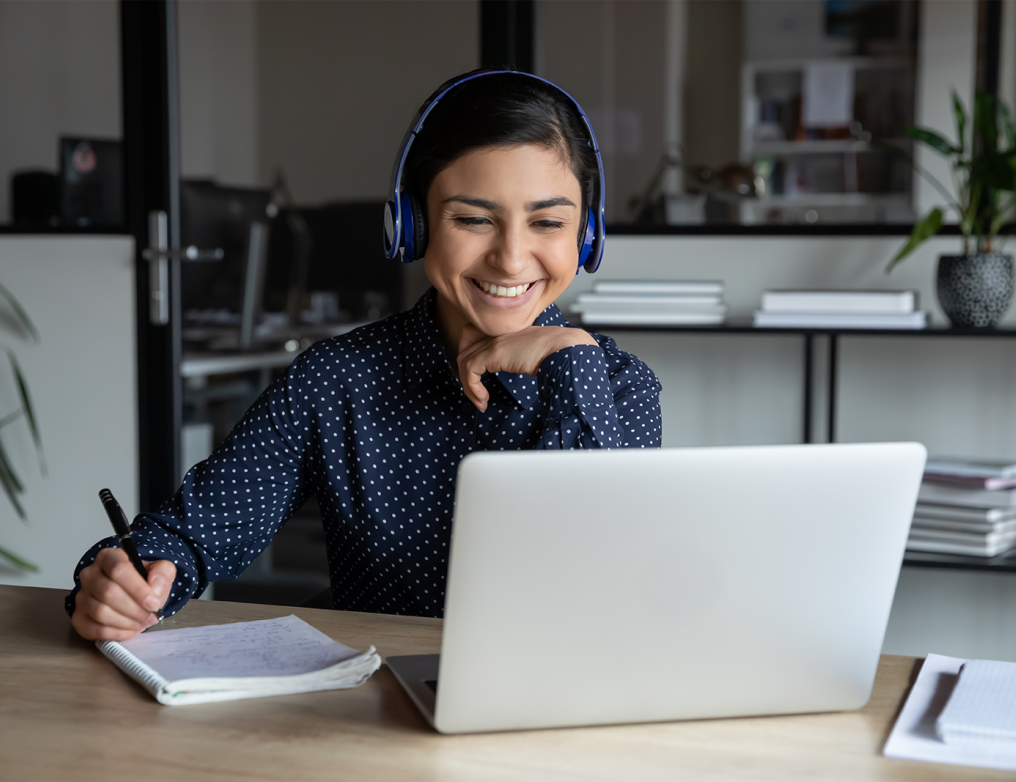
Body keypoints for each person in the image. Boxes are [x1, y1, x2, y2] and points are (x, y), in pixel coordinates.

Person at [67, 70, 662, 641]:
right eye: (474, 218)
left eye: (548, 222)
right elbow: (193, 534)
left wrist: (570, 360)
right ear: (413, 224)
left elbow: (608, 585)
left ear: (586, 235)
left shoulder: (618, 386)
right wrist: (122, 580)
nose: (510, 258)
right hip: (372, 710)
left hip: (549, 718)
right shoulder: (336, 378)